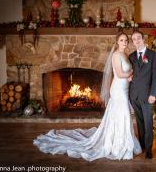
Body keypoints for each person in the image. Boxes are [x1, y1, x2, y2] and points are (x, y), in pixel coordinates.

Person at [33, 33, 142, 161]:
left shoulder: (125, 55)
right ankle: (117, 144)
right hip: (118, 90)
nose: (124, 42)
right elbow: (119, 73)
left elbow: (126, 74)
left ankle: (122, 141)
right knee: (121, 113)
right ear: (117, 42)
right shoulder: (116, 55)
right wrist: (132, 73)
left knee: (122, 114)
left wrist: (130, 76)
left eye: (126, 40)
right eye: (121, 40)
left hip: (124, 88)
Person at [128, 31, 156, 159]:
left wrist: (153, 94)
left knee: (148, 123)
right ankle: (142, 145)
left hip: (148, 95)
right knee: (140, 122)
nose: (136, 41)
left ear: (143, 39)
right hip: (134, 95)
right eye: (134, 39)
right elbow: (129, 73)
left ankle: (148, 149)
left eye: (138, 38)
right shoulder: (131, 57)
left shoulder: (153, 55)